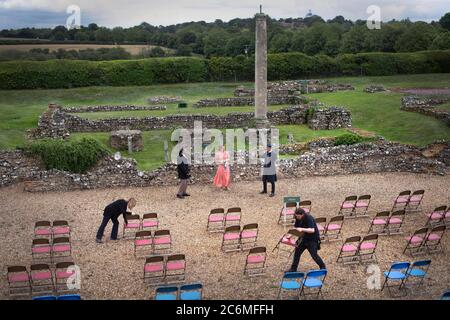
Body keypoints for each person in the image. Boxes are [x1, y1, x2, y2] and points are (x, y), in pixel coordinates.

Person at [288, 208, 326, 272]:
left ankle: (323, 267)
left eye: (298, 216)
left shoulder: (309, 218)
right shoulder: (297, 217)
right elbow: (296, 227)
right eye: (296, 216)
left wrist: (302, 229)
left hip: (312, 239)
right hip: (303, 238)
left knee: (314, 255)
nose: (297, 218)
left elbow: (312, 230)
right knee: (297, 252)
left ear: (302, 214)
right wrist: (290, 235)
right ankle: (293, 269)